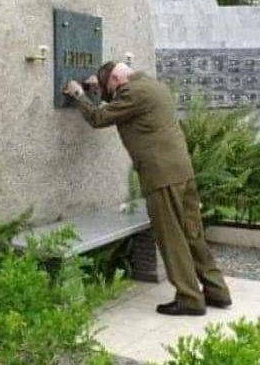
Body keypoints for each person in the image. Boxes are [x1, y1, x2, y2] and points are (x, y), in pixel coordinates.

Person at [63, 61, 232, 316]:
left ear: (118, 81)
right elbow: (120, 98)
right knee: (192, 234)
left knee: (171, 237)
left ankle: (189, 298)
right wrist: (100, 86)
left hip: (161, 175)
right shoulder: (152, 86)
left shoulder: (132, 93)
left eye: (110, 88)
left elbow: (99, 118)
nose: (110, 94)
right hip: (181, 171)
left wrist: (78, 94)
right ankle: (217, 291)